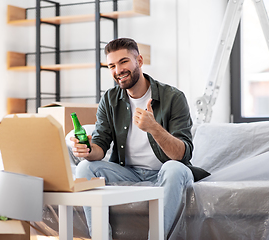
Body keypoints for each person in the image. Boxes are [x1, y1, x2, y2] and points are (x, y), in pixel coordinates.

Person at [70, 38, 209, 240]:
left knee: (174, 168)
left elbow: (181, 155)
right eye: (112, 65)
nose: (118, 70)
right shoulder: (109, 100)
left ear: (139, 61)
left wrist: (154, 128)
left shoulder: (173, 97)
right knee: (84, 168)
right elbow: (100, 144)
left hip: (165, 171)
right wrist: (88, 150)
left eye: (124, 62)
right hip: (128, 172)